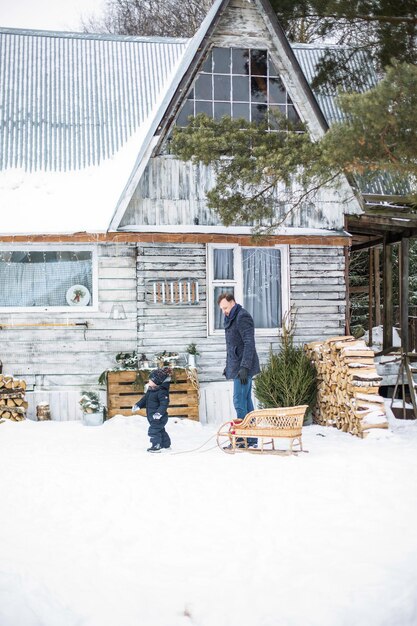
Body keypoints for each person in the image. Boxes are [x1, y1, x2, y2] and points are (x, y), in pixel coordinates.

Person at [217, 292, 260, 448]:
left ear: (233, 302)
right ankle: (252, 439)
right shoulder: (231, 317)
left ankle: (242, 440)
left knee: (239, 402)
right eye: (222, 309)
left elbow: (249, 343)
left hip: (243, 368)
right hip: (237, 366)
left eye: (226, 307)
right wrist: (229, 366)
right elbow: (233, 346)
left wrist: (244, 367)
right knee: (246, 402)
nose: (224, 311)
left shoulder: (242, 316)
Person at [132, 368, 171, 453]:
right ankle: (166, 444)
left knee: (153, 431)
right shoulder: (150, 391)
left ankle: (156, 445)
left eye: (151, 380)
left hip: (159, 417)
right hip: (152, 416)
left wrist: (159, 413)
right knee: (160, 430)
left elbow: (164, 404)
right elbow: (144, 400)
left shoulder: (162, 392)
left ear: (157, 382)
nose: (149, 382)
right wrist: (138, 405)